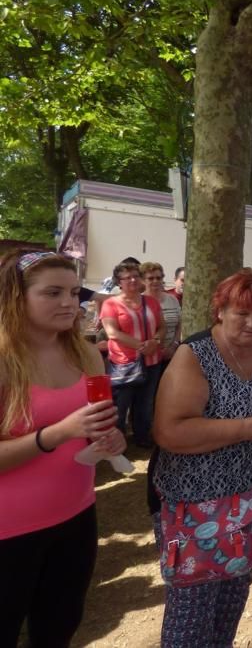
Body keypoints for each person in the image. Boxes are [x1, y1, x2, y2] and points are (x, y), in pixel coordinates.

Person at [151, 268, 252, 646]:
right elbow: (170, 432)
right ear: (220, 310)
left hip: (250, 504)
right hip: (195, 508)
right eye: (242, 313)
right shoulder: (195, 355)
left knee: (231, 603)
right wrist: (251, 427)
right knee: (191, 615)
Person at [0, 250, 126, 646]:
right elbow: (62, 431)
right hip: (8, 531)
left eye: (74, 292)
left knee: (58, 629)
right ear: (16, 297)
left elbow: (94, 425)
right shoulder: (4, 361)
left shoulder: (85, 352)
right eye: (52, 293)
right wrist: (54, 434)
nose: (69, 303)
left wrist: (109, 439)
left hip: (76, 516)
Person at [100, 261, 164, 447]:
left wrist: (156, 342)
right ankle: (116, 442)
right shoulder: (110, 304)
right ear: (119, 282)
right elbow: (112, 333)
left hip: (152, 361)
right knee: (120, 405)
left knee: (145, 403)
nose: (133, 280)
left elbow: (162, 326)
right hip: (124, 363)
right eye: (127, 278)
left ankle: (142, 437)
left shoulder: (151, 302)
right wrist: (142, 346)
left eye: (136, 275)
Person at [141, 261, 182, 369]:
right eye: (150, 278)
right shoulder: (139, 302)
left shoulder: (172, 299)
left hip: (171, 355)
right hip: (148, 358)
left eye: (158, 278)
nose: (155, 281)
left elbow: (179, 325)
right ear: (142, 281)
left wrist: (174, 346)